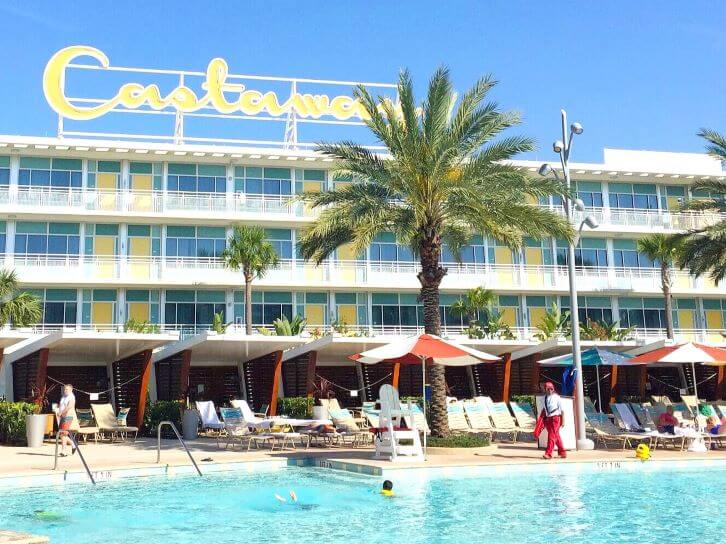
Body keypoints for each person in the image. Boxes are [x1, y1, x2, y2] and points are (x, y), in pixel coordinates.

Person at [539, 381, 566, 460]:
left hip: (556, 418)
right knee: (556, 436)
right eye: (548, 389)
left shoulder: (557, 397)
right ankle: (562, 452)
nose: (550, 390)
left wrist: (563, 421)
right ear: (545, 389)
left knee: (551, 436)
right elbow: (544, 410)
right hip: (548, 418)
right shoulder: (544, 398)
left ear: (553, 389)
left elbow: (562, 410)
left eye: (551, 389)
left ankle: (548, 453)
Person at [55, 384, 76, 456]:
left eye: (67, 389)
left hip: (68, 416)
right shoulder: (63, 397)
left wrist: (61, 412)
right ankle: (73, 445)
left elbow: (69, 406)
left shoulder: (71, 397)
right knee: (61, 434)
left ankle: (64, 451)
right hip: (63, 416)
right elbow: (62, 405)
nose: (65, 390)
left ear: (71, 389)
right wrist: (57, 409)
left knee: (63, 434)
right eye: (64, 389)